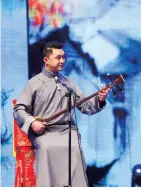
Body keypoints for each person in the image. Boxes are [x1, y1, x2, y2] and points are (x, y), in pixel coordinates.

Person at [13, 41, 110, 187]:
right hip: (44, 133)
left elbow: (85, 106)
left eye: (64, 57)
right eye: (58, 57)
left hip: (67, 131)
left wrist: (100, 99)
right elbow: (19, 109)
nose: (62, 61)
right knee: (46, 147)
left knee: (75, 146)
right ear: (46, 60)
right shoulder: (33, 84)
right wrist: (32, 122)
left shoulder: (69, 83)